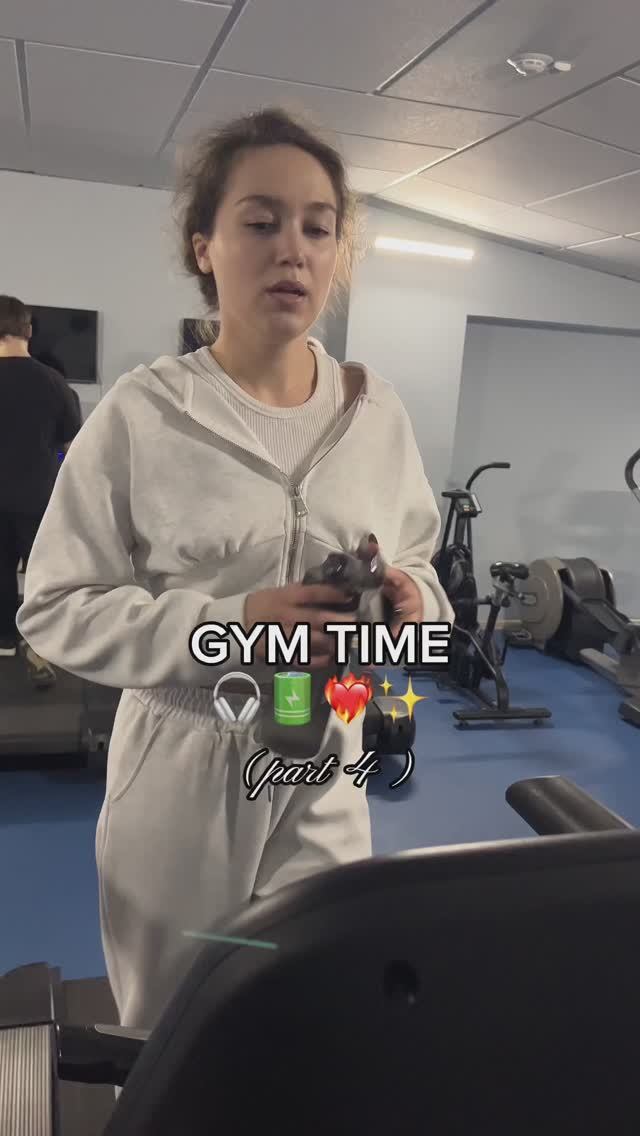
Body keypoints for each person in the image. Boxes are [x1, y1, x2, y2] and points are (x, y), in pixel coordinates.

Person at [16, 107, 453, 1035]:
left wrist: (412, 599)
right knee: (176, 1034)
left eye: (318, 227)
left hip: (327, 747)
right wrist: (234, 625)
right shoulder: (144, 415)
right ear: (204, 247)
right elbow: (54, 608)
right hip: (185, 767)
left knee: (319, 1018)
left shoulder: (376, 414)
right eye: (260, 222)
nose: (293, 249)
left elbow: (420, 563)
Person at [0, 295, 82, 685]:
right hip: (38, 497)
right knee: (40, 576)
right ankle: (39, 643)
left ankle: (4, 640)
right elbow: (70, 439)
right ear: (28, 330)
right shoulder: (54, 382)